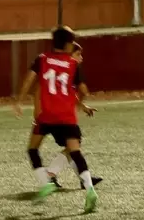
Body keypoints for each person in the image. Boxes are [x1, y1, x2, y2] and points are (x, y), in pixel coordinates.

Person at [12, 26, 99, 213]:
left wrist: (18, 101)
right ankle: (90, 189)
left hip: (46, 116)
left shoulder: (42, 59)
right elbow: (83, 91)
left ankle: (45, 182)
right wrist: (77, 104)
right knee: (75, 152)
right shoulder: (73, 64)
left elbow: (29, 80)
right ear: (69, 44)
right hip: (67, 117)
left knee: (32, 149)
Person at [42, 43, 103, 190]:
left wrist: (82, 106)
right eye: (78, 54)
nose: (81, 58)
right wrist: (83, 99)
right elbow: (83, 91)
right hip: (62, 117)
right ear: (70, 54)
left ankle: (83, 178)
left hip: (51, 115)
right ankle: (50, 174)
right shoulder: (71, 68)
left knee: (73, 147)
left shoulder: (57, 68)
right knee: (74, 146)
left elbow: (67, 93)